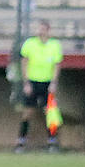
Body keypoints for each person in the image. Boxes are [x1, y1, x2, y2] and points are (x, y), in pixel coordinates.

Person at [15, 19, 62, 153]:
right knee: (28, 112)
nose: (40, 31)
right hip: (33, 81)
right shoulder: (30, 44)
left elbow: (57, 65)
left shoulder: (55, 45)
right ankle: (21, 141)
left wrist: (54, 83)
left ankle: (52, 142)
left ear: (48, 30)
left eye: (43, 28)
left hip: (47, 83)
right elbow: (24, 62)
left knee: (50, 112)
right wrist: (26, 82)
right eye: (39, 28)